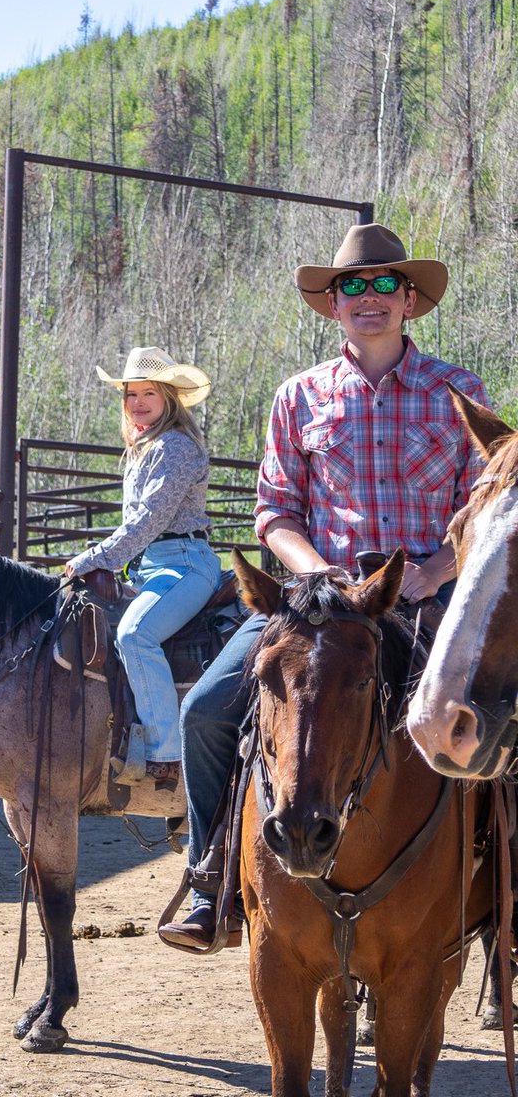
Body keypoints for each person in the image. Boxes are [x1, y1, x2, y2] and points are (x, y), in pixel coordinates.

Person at [158, 222, 489, 952]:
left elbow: (480, 509)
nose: (367, 298)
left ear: (409, 299)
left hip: (425, 597)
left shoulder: (458, 393)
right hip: (315, 606)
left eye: (381, 285)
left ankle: (505, 900)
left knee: (501, 720)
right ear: (333, 304)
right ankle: (211, 878)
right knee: (208, 713)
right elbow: (275, 511)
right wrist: (316, 573)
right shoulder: (298, 397)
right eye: (351, 287)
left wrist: (430, 573)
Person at [64, 347, 221, 786]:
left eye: (149, 392)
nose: (138, 402)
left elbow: (147, 520)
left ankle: (166, 753)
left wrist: (93, 558)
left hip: (185, 564)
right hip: (150, 567)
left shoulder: (174, 447)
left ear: (170, 396)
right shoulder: (142, 448)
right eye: (131, 393)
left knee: (136, 633)